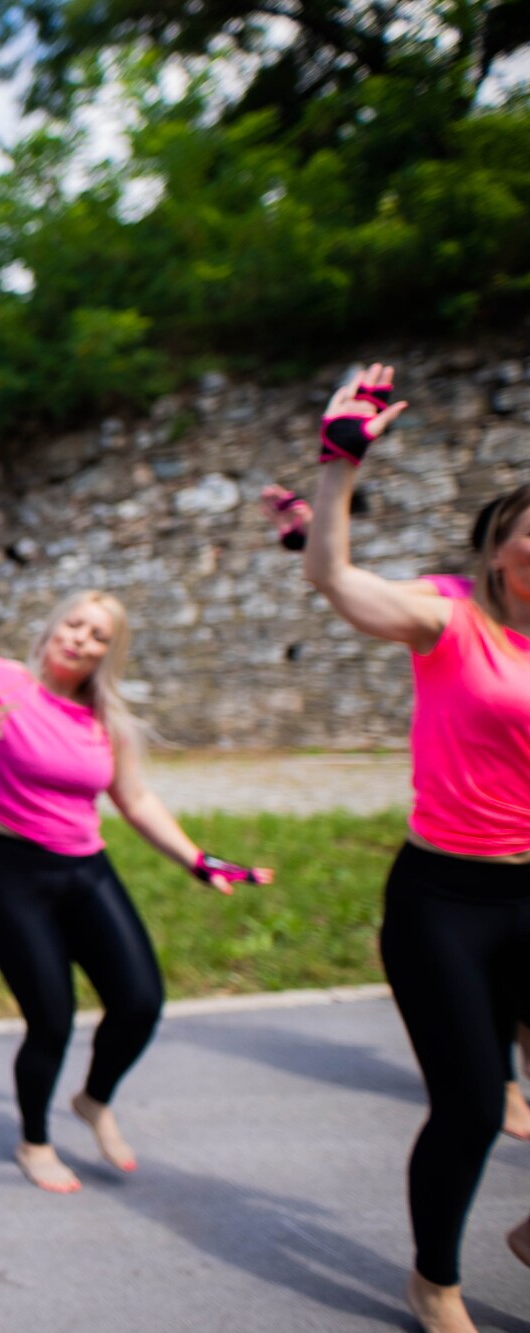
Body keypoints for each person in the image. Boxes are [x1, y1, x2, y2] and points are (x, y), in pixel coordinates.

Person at [301, 363, 530, 1332]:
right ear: (499, 543)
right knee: (474, 1105)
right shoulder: (449, 620)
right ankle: (432, 1277)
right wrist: (334, 466)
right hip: (444, 901)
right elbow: (333, 579)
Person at [0, 584, 272, 1193]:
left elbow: (134, 798)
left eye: (98, 635)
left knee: (139, 1001)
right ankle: (34, 1141)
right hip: (8, 870)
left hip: (84, 867)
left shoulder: (109, 721)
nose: (81, 639)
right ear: (53, 625)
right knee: (51, 1018)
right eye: (75, 624)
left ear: (109, 653)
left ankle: (94, 1099)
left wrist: (197, 859)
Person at [260, 483, 530, 1144]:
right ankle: (497, 1082)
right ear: (497, 552)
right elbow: (347, 583)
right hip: (450, 875)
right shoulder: (450, 605)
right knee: (475, 1066)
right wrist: (316, 518)